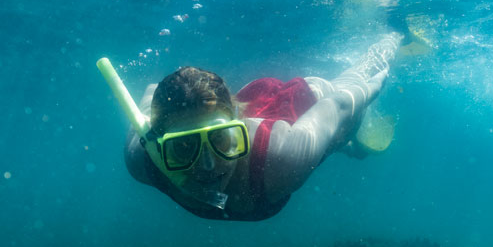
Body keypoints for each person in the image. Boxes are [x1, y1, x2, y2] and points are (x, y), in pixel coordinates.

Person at [119, 34, 400, 221]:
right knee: (346, 148)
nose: (207, 166)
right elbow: (151, 94)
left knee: (340, 131)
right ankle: (352, 150)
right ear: (158, 144)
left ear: (237, 123)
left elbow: (339, 104)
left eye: (220, 139)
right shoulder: (142, 159)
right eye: (182, 147)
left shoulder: (282, 155)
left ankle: (393, 36)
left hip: (297, 105)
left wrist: (374, 81)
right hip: (242, 106)